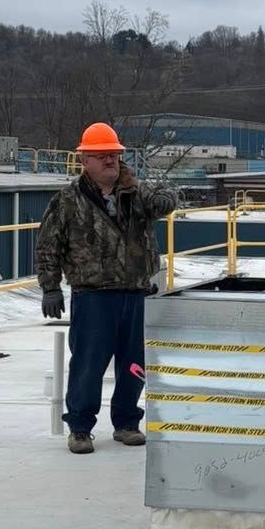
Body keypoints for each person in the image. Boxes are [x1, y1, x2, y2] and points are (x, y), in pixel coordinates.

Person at [36, 122, 178, 454]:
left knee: (133, 364)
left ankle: (127, 423)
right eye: (102, 156)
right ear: (85, 161)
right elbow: (47, 246)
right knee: (88, 364)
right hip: (93, 296)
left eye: (114, 155)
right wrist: (50, 287)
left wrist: (136, 186)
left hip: (134, 292)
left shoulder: (136, 195)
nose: (110, 161)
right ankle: (81, 428)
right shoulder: (68, 200)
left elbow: (167, 202)